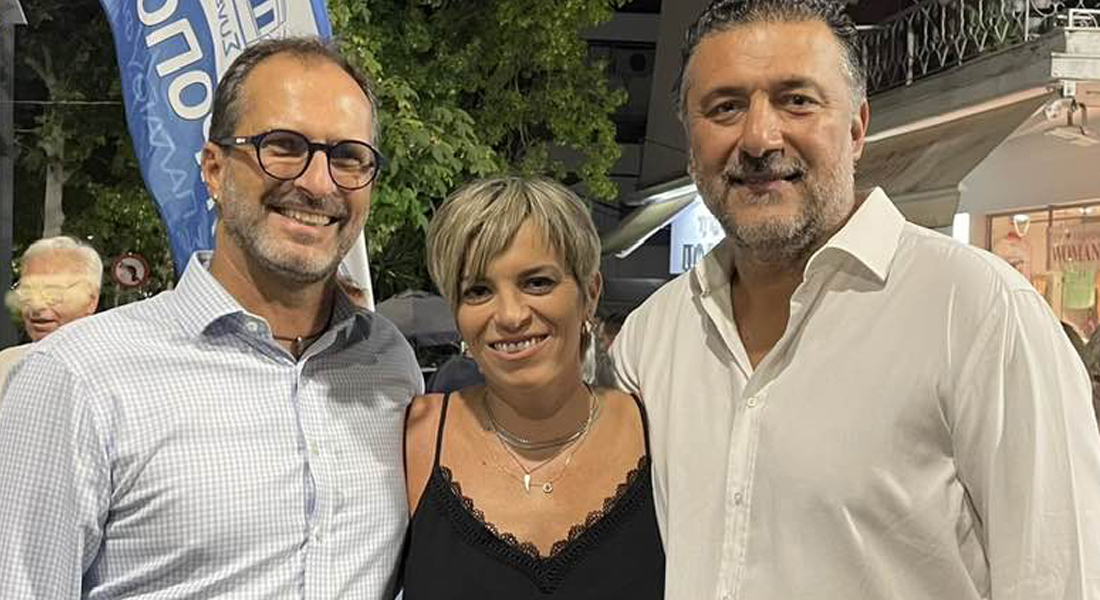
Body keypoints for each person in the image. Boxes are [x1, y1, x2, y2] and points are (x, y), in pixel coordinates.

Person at [610, 1, 1100, 599]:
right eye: (725, 107)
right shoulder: (652, 338)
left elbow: (1060, 580)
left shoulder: (982, 315)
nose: (759, 138)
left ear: (857, 129)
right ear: (690, 143)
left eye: (797, 100)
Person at [0, 37, 422, 598]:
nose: (319, 183)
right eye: (283, 146)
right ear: (215, 169)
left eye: (348, 157)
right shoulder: (78, 377)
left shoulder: (389, 365)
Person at [401, 177, 664, 598]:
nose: (510, 315)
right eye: (478, 291)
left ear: (590, 294)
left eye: (537, 282)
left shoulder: (658, 431)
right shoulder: (414, 438)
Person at [0, 236, 102, 390]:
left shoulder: (108, 371)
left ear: (90, 300)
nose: (36, 306)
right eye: (28, 291)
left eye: (53, 292)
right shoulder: (6, 363)